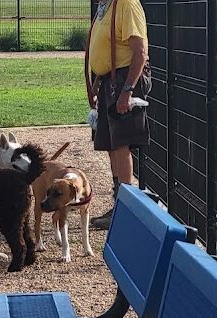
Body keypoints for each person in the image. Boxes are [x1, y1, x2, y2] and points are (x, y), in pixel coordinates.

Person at [86, 0, 150, 229]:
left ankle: (127, 207)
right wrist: (97, 81)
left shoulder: (127, 4)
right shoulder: (107, 6)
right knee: (112, 145)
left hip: (122, 81)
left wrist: (128, 90)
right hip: (109, 81)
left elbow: (140, 53)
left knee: (120, 144)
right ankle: (119, 203)